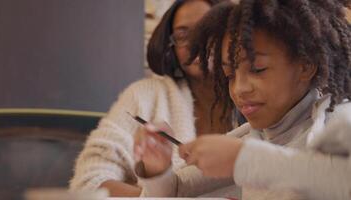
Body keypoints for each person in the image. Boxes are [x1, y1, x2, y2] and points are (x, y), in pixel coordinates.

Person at [134, 0, 351, 199]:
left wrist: (245, 160)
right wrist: (158, 169)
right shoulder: (250, 138)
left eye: (258, 69)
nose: (240, 89)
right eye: (230, 75)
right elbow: (178, 190)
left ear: (306, 66)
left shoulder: (340, 123)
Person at [69, 0, 241, 197]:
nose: (196, 43)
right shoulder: (143, 97)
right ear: (171, 45)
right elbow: (89, 182)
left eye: (207, 30)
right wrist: (154, 194)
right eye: (183, 34)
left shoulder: (254, 100)